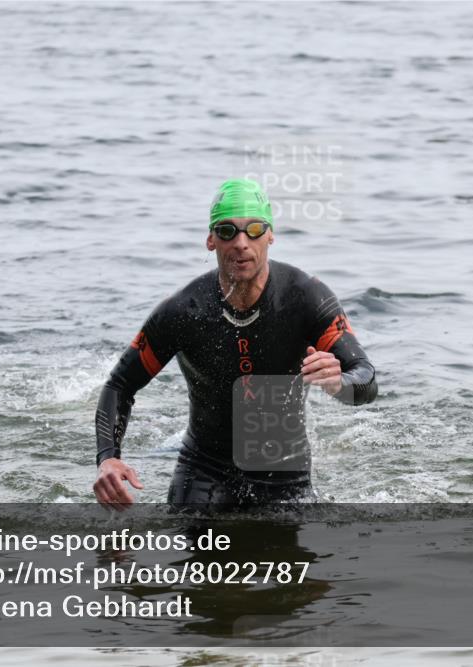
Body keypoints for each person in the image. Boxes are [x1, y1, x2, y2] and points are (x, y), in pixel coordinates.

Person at [93, 178, 377, 510]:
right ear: (211, 240)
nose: (241, 243)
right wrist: (108, 458)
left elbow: (366, 380)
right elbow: (120, 385)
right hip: (203, 472)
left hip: (284, 472)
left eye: (254, 229)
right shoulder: (184, 311)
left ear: (270, 235)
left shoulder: (306, 298)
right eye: (227, 231)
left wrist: (338, 383)